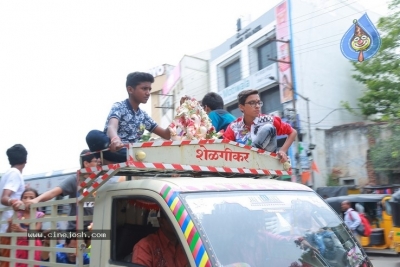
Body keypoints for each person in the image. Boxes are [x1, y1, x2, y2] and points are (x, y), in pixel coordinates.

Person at [86, 72, 171, 163]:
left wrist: (182, 114)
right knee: (93, 135)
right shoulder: (119, 106)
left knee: (143, 151)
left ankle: (128, 158)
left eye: (149, 89)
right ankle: (114, 158)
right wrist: (116, 140)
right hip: (114, 148)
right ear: (130, 89)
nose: (148, 93)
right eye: (144, 89)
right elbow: (112, 126)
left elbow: (166, 135)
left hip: (133, 153)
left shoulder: (143, 116)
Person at [26, 149, 100, 231]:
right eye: (95, 161)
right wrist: (36, 199)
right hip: (76, 230)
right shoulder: (75, 179)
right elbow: (53, 192)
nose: (98, 164)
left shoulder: (98, 181)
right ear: (86, 163)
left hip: (93, 227)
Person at [223, 89, 297, 163]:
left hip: (267, 163)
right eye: (252, 103)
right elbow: (224, 148)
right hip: (244, 166)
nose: (257, 106)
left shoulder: (269, 120)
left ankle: (251, 155)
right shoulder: (233, 127)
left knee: (268, 127)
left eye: (259, 102)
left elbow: (293, 132)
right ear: (241, 107)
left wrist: (282, 151)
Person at [8, 188, 44, 267]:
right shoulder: (17, 214)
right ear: (21, 200)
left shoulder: (39, 215)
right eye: (25, 197)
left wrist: (20, 230)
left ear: (37, 200)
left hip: (33, 246)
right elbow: (9, 234)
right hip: (19, 247)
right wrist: (10, 224)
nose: (28, 200)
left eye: (32, 198)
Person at [0, 144, 27, 233]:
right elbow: (4, 198)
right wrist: (14, 202)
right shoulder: (15, 173)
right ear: (25, 160)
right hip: (9, 224)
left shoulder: (8, 174)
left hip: (6, 223)